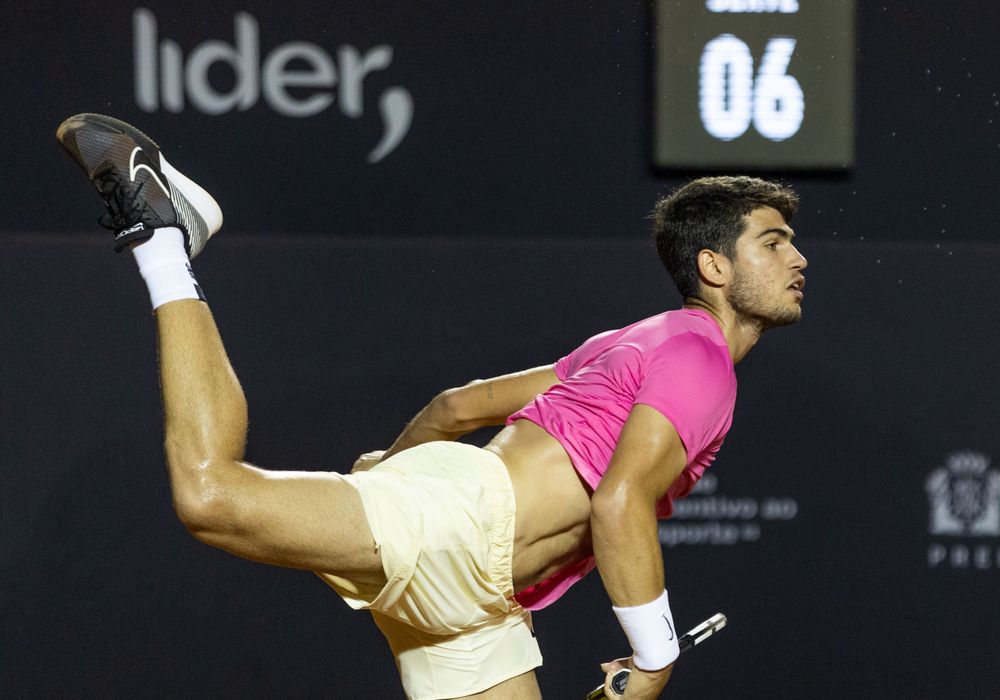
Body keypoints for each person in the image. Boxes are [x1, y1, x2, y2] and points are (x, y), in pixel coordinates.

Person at [56, 113, 808, 700]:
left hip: (480, 601)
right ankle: (164, 240)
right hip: (463, 525)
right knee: (208, 493)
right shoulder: (702, 357)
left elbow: (456, 408)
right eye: (773, 242)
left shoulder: (633, 342)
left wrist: (390, 468)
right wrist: (656, 656)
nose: (798, 259)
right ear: (713, 266)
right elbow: (618, 504)